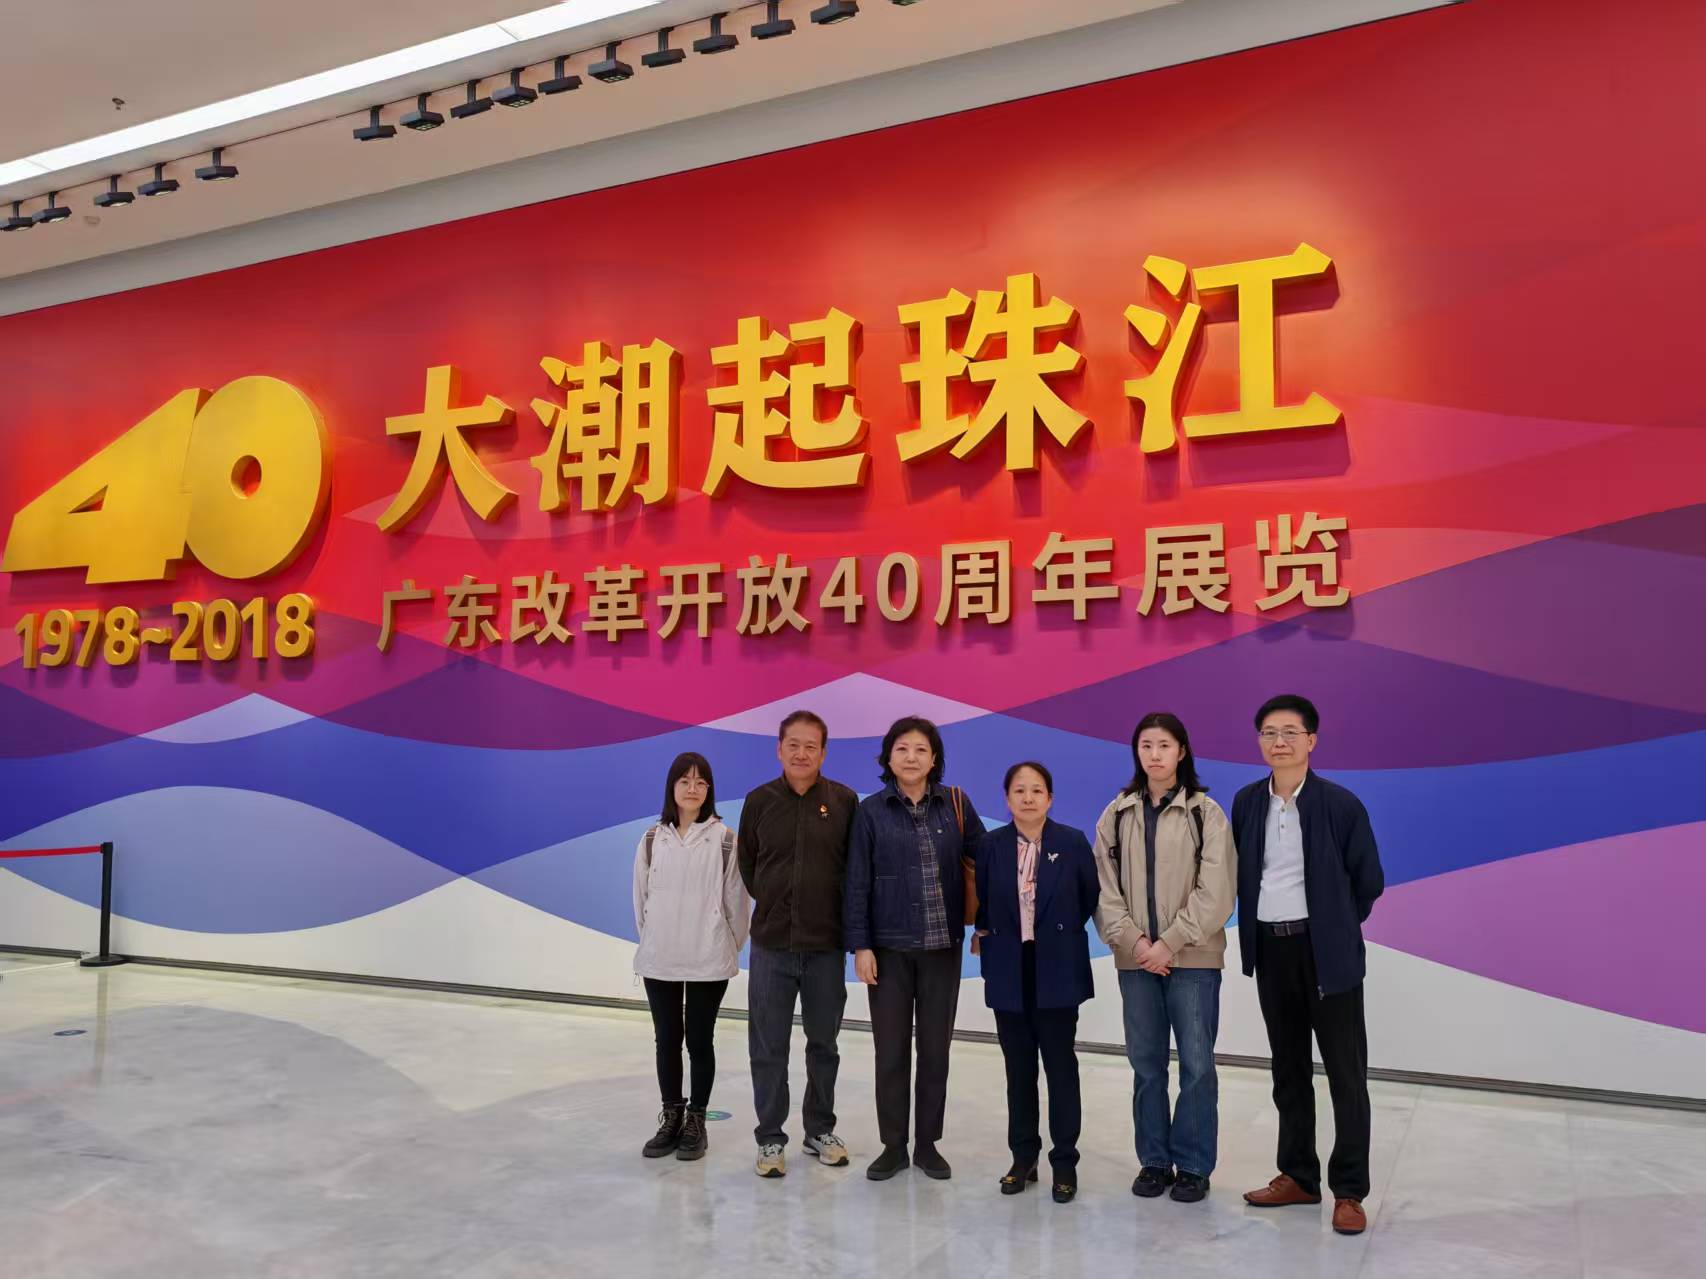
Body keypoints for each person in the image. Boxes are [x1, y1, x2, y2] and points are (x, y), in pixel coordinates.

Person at [1232, 694, 1384, 1236]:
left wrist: (1334, 925)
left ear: (1311, 741)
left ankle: (1350, 1190)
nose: (1279, 742)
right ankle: (1298, 1175)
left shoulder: (1341, 805)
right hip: (1271, 950)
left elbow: (1368, 882)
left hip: (1328, 954)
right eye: (1269, 733)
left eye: (1290, 732)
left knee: (1346, 1074)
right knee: (1288, 1069)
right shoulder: (1247, 802)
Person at [1092, 712, 1236, 1203]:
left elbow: (1217, 891)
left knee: (1197, 1065)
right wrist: (1136, 944)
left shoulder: (1205, 813)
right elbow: (1103, 891)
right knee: (1147, 1064)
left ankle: (1194, 1166)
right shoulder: (1116, 814)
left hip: (1193, 960)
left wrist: (1169, 943)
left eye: (1164, 745)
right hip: (1136, 962)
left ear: (1182, 752)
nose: (1155, 754)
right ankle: (1154, 1161)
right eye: (1146, 745)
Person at [845, 716, 984, 1182]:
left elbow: (987, 864)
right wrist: (861, 945)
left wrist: (987, 926)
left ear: (934, 759)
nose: (911, 757)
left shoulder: (955, 805)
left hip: (942, 948)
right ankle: (893, 1146)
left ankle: (927, 1144)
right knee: (890, 1052)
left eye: (921, 749)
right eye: (902, 749)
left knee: (935, 1051)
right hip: (889, 951)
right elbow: (856, 882)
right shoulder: (870, 811)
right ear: (888, 758)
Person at [738, 710, 860, 1179]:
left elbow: (853, 870)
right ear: (779, 748)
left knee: (823, 1044)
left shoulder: (844, 802)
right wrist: (774, 900)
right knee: (768, 1046)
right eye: (793, 744)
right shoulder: (759, 801)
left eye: (811, 746)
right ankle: (770, 1137)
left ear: (824, 753)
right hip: (771, 946)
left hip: (825, 946)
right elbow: (749, 866)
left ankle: (819, 1129)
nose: (802, 753)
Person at [975, 761, 1097, 1203]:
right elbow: (985, 901)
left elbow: (1087, 898)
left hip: (1057, 967)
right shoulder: (990, 845)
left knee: (1061, 1068)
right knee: (1018, 1070)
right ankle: (1023, 1157)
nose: (1028, 798)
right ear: (1007, 798)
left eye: (1037, 790)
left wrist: (1053, 936)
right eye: (1019, 791)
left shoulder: (1072, 842)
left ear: (1050, 798)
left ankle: (1064, 1161)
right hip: (1009, 967)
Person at [633, 751, 749, 1161]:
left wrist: (724, 944)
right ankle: (671, 1117)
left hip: (707, 959)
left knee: (700, 1040)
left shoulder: (725, 839)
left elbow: (737, 903)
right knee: (667, 1039)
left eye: (701, 782)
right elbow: (641, 900)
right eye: (685, 781)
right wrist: (654, 940)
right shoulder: (653, 839)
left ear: (709, 790)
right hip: (660, 957)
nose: (692, 788)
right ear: (672, 787)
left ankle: (697, 1121)